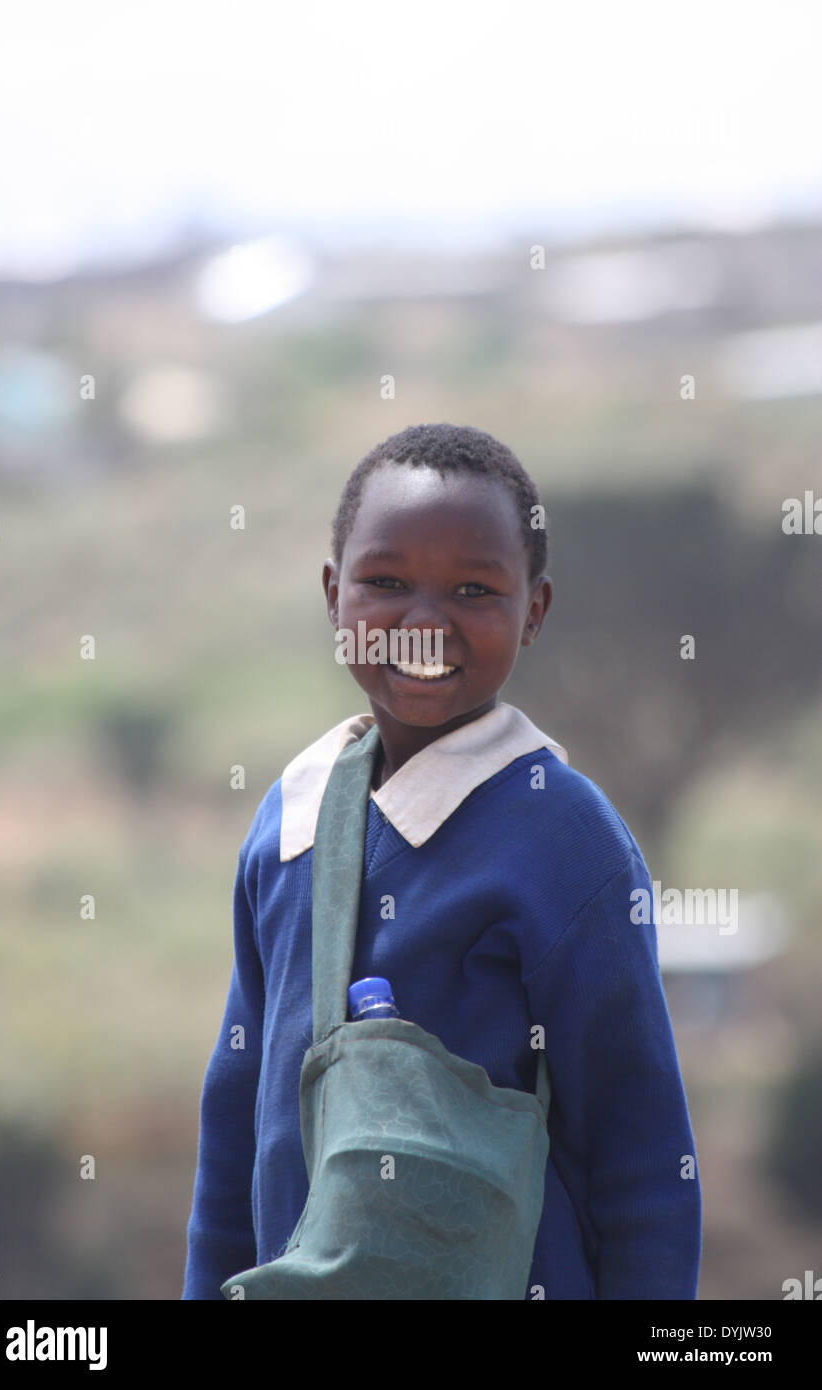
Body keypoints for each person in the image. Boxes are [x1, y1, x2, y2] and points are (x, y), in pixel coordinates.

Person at [182, 422, 702, 1300]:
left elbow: (643, 1161)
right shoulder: (293, 821)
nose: (424, 624)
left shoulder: (566, 844)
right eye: (385, 583)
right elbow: (240, 1126)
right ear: (332, 595)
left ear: (532, 610)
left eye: (473, 589)